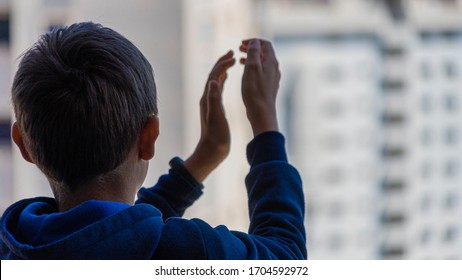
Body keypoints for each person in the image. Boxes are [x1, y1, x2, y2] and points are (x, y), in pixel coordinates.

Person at [0, 22, 306, 260]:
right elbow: (285, 259)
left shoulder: (14, 250)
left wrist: (202, 160)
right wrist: (265, 124)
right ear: (149, 137)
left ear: (24, 145)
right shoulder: (191, 253)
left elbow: (110, 237)